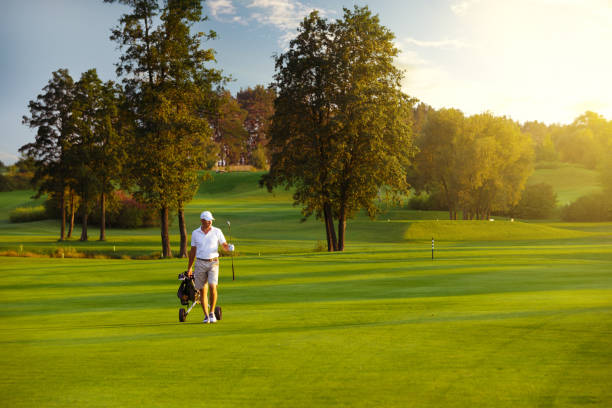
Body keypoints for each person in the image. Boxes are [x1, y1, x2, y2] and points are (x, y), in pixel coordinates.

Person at [187, 210, 234, 324]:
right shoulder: (195, 233)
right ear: (202, 221)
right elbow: (193, 251)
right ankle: (206, 316)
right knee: (203, 291)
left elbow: (224, 245)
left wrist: (229, 248)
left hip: (213, 262)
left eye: (210, 221)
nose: (210, 223)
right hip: (200, 263)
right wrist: (189, 267)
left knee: (213, 287)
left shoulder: (217, 231)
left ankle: (212, 313)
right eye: (208, 221)